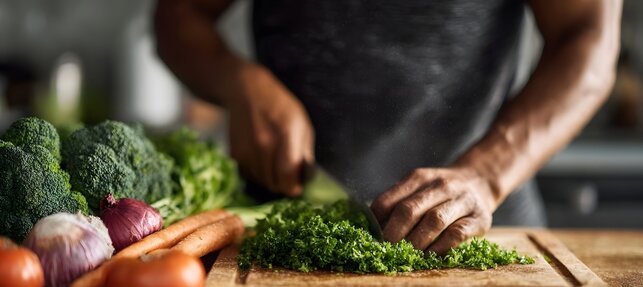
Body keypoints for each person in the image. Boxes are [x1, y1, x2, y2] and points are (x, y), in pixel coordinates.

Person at [154, 0, 621, 254]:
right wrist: (238, 81)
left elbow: (588, 35)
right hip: (279, 232)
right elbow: (179, 16)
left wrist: (485, 174)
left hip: (481, 224)